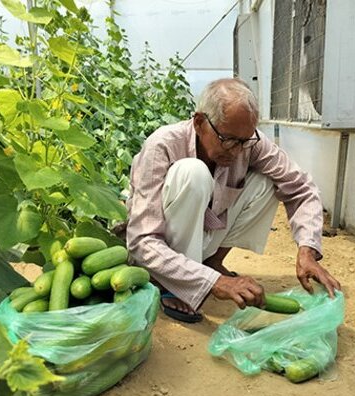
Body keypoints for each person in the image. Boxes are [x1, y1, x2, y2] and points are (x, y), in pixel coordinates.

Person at [126, 78, 341, 323]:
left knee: (267, 181)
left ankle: (211, 262)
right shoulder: (162, 146)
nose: (237, 150)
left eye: (244, 141)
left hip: (205, 235)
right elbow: (142, 242)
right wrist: (216, 283)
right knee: (192, 173)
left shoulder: (250, 143)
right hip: (159, 254)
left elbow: (301, 188)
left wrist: (307, 250)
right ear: (199, 122)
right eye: (228, 140)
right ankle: (173, 284)